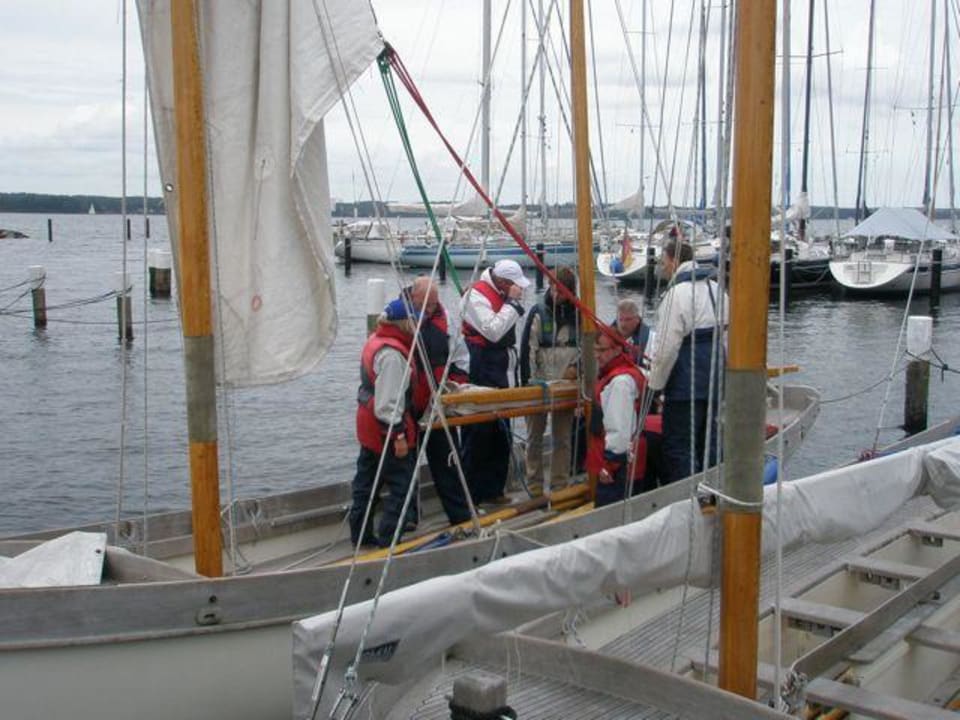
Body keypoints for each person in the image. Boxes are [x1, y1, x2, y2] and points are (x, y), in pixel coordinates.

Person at [647, 239, 728, 484]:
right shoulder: (717, 291)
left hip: (686, 382)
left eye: (663, 262)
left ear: (673, 261)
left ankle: (686, 499)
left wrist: (655, 385)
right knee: (709, 440)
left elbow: (666, 348)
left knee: (679, 445)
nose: (662, 267)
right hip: (714, 377)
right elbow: (727, 338)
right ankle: (714, 489)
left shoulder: (677, 295)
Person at [349, 298, 420, 548]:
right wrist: (399, 436)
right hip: (385, 430)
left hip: (367, 424)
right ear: (404, 323)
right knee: (401, 487)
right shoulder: (392, 355)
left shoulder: (375, 341)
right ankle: (389, 541)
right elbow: (388, 402)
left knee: (367, 483)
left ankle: (360, 535)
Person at [460, 258, 530, 505]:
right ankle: (472, 494)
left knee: (502, 431)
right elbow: (492, 330)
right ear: (502, 282)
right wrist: (512, 304)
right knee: (479, 431)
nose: (518, 290)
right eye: (514, 285)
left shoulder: (501, 294)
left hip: (502, 366)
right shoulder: (475, 297)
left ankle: (494, 489)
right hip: (482, 365)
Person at [406, 276, 472, 526]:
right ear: (413, 298)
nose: (431, 309)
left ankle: (460, 516)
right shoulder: (400, 320)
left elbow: (461, 357)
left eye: (434, 304)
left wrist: (452, 389)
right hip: (409, 406)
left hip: (438, 406)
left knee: (447, 462)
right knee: (404, 468)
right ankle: (408, 518)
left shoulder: (447, 322)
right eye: (426, 304)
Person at [519, 266, 579, 491]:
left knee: (562, 438)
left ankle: (559, 483)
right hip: (539, 383)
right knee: (534, 436)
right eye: (553, 290)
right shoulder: (538, 312)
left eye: (561, 292)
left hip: (565, 384)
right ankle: (534, 483)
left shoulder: (579, 316)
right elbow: (528, 350)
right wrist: (528, 383)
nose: (556, 295)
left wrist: (576, 370)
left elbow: (587, 348)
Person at [587, 330, 648, 507]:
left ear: (617, 350)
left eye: (602, 350)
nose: (597, 356)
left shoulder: (620, 382)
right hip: (619, 463)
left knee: (610, 518)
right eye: (595, 350)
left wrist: (609, 466)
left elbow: (619, 430)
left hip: (617, 468)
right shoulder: (619, 375)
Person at [610, 297, 652, 368]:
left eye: (628, 320)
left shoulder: (650, 341)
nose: (623, 324)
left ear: (637, 319)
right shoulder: (606, 336)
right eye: (620, 319)